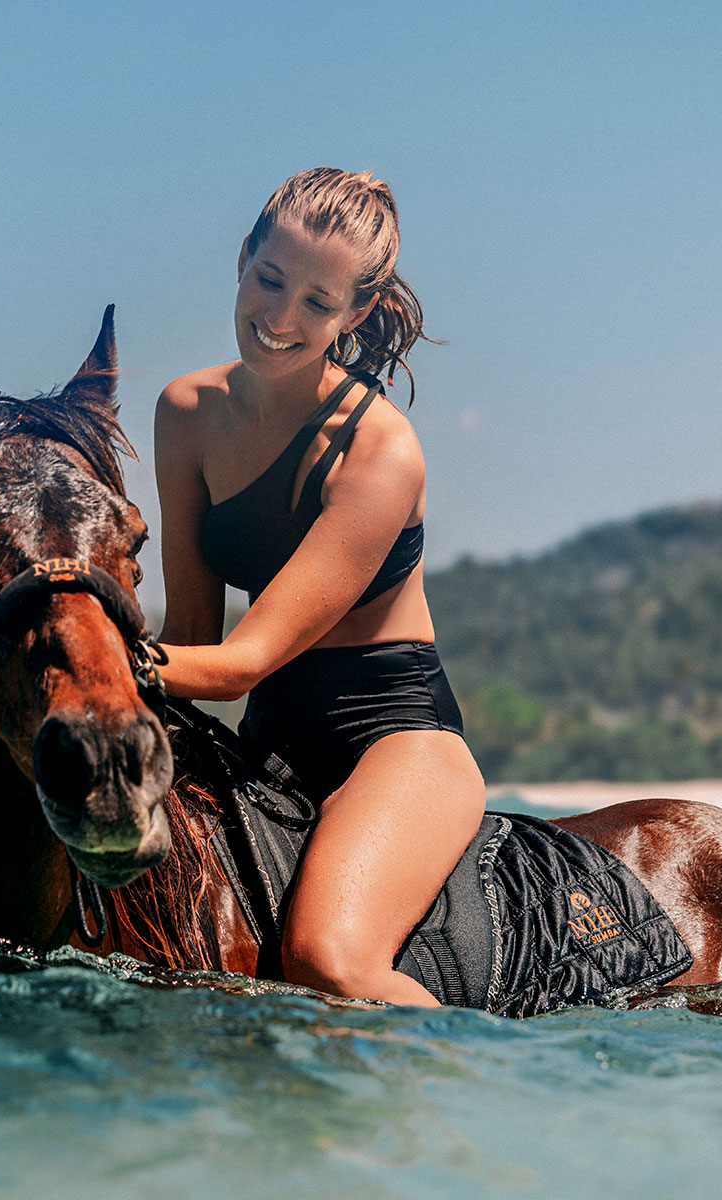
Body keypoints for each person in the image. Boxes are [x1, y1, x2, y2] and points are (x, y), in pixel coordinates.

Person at [153, 168, 486, 1006]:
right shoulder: (184, 412)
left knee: (328, 964)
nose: (278, 319)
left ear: (356, 314)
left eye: (316, 302)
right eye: (269, 281)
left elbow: (237, 663)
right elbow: (190, 634)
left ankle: (479, 1106)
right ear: (242, 260)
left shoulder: (380, 449)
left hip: (395, 739)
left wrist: (69, 653)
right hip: (271, 740)